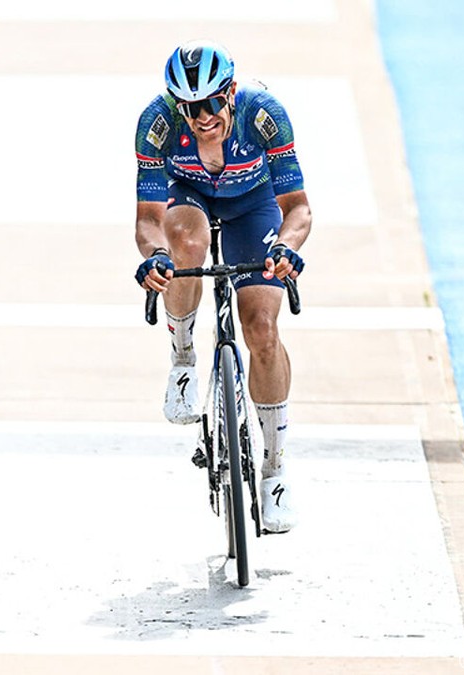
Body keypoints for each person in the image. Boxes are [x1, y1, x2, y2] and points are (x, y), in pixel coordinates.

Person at [133, 40, 311, 533]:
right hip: (188, 197)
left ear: (230, 92)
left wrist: (287, 247)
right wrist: (156, 256)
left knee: (262, 331)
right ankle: (183, 359)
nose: (202, 116)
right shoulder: (157, 123)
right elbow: (148, 219)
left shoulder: (264, 115)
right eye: (190, 107)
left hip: (253, 203)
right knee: (185, 245)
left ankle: (275, 470)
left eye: (212, 102)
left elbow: (297, 206)